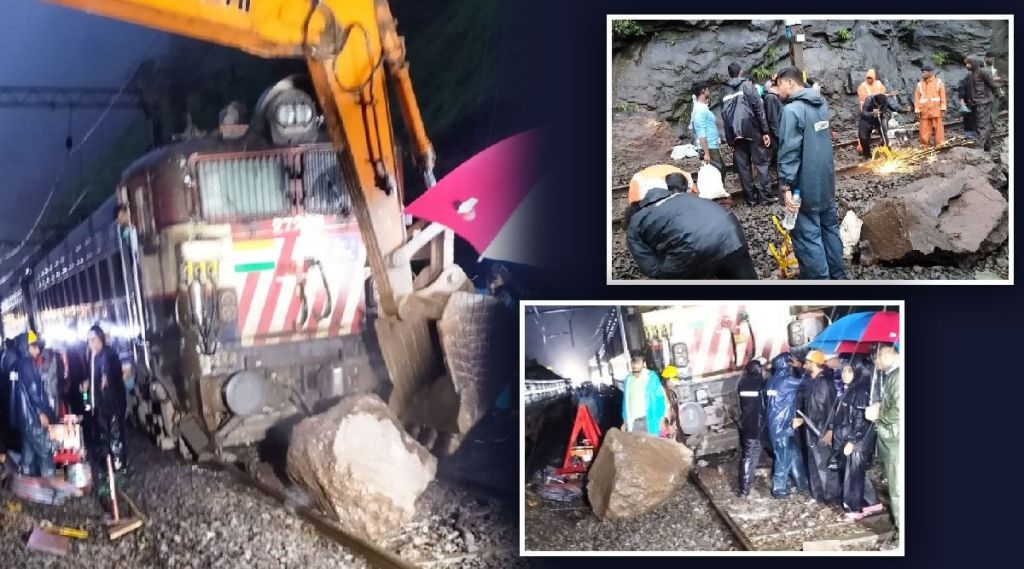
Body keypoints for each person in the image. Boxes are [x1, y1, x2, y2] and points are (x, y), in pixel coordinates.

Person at [775, 66, 847, 280]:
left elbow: (789, 152)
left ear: (790, 83)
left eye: (779, 85)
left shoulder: (792, 111)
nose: (777, 91)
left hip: (803, 189)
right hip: (825, 183)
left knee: (808, 237)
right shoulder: (820, 104)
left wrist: (786, 187)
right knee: (829, 231)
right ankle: (838, 277)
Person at [626, 172, 757, 279]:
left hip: (692, 246)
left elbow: (651, 268)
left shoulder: (635, 222)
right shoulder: (681, 197)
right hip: (730, 230)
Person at [9, 332, 79, 495]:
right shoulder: (27, 365)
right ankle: (53, 493)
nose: (37, 349)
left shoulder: (17, 365)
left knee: (28, 453)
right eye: (34, 346)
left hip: (23, 419)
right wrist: (41, 412)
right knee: (46, 451)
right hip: (33, 418)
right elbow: (34, 393)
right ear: (28, 348)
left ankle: (26, 485)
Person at [823, 361, 883, 521]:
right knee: (857, 473)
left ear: (858, 372)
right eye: (843, 371)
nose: (844, 374)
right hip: (847, 439)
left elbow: (862, 422)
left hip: (856, 442)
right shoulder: (850, 390)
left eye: (849, 371)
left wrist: (852, 441)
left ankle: (853, 509)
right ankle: (872, 503)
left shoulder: (860, 392)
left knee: (852, 476)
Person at [82, 325, 128, 509]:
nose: (90, 343)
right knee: (103, 435)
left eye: (93, 340)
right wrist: (88, 386)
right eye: (89, 340)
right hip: (99, 404)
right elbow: (94, 378)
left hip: (112, 403)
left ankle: (118, 467)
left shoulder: (108, 355)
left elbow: (112, 375)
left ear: (101, 339)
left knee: (115, 435)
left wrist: (106, 379)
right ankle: (107, 463)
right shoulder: (92, 356)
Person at [720, 62, 773, 206]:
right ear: (741, 72)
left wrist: (730, 140)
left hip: (735, 136)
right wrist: (765, 131)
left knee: (743, 169)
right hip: (752, 131)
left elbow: (724, 117)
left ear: (729, 74)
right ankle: (766, 198)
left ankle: (751, 200)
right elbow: (758, 109)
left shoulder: (724, 91)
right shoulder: (748, 86)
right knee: (761, 164)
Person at [793, 350, 839, 504]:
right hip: (810, 430)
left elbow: (832, 408)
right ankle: (818, 495)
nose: (804, 364)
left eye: (807, 362)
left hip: (822, 430)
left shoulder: (825, 383)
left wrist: (831, 430)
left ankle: (831, 497)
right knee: (813, 463)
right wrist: (801, 420)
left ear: (814, 363)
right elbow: (810, 408)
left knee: (825, 465)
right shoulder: (811, 382)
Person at [866, 345, 900, 547]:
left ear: (885, 353)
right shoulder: (894, 374)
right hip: (894, 438)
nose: (876, 366)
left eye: (876, 361)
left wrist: (880, 415)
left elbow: (899, 409)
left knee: (897, 490)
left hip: (896, 440)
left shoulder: (898, 375)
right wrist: (880, 404)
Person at [765, 352, 808, 498]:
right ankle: (779, 489)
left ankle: (801, 482)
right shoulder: (786, 381)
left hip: (775, 424)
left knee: (794, 454)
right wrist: (801, 367)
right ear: (788, 364)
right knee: (783, 458)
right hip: (783, 426)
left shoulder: (771, 380)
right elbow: (806, 382)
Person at [736, 358, 769, 497]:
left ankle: (745, 487)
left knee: (749, 455)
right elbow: (764, 405)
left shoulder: (742, 383)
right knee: (752, 455)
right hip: (760, 425)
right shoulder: (762, 384)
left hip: (748, 425)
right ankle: (744, 488)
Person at [620, 354, 667, 436]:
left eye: (638, 363)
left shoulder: (651, 378)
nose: (635, 366)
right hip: (634, 423)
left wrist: (661, 420)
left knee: (652, 446)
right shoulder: (628, 380)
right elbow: (625, 402)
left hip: (650, 420)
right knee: (638, 447)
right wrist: (625, 421)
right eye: (633, 363)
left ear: (644, 364)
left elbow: (660, 399)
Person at [964, 55, 1000, 151]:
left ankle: (978, 149)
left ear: (974, 62)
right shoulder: (972, 74)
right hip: (975, 103)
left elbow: (992, 84)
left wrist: (997, 94)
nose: (967, 65)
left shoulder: (983, 72)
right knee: (980, 125)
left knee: (982, 126)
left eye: (969, 63)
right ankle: (987, 148)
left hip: (983, 102)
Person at [690, 82, 725, 174]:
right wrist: (706, 153)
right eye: (707, 89)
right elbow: (701, 133)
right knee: (717, 173)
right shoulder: (699, 110)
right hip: (709, 148)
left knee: (721, 171)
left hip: (712, 146)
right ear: (703, 91)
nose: (709, 91)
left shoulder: (703, 108)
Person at [28, 332, 64, 416]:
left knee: (53, 418)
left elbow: (48, 376)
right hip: (52, 393)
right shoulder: (48, 357)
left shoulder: (46, 358)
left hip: (50, 394)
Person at [914, 64, 947, 148]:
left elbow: (942, 95)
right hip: (924, 111)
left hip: (936, 109)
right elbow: (917, 98)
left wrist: (943, 107)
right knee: (924, 129)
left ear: (930, 72)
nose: (922, 74)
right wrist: (917, 109)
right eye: (922, 72)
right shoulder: (919, 84)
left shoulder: (938, 82)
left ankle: (940, 145)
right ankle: (924, 146)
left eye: (924, 72)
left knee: (938, 129)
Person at [858, 93, 900, 159]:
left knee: (885, 135)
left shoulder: (884, 100)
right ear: (875, 101)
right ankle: (867, 155)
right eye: (878, 105)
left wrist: (896, 108)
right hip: (867, 120)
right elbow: (863, 113)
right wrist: (872, 113)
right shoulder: (869, 99)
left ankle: (887, 151)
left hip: (879, 119)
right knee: (864, 138)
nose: (879, 107)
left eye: (881, 106)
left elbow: (892, 108)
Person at [762, 79, 783, 194]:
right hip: (775, 137)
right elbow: (773, 120)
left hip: (776, 135)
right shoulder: (771, 98)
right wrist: (780, 138)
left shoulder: (773, 98)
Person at [958, 74, 976, 139]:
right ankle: (970, 134)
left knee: (970, 118)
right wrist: (962, 101)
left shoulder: (969, 77)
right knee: (969, 118)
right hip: (970, 102)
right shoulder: (968, 77)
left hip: (972, 102)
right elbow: (962, 90)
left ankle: (970, 134)